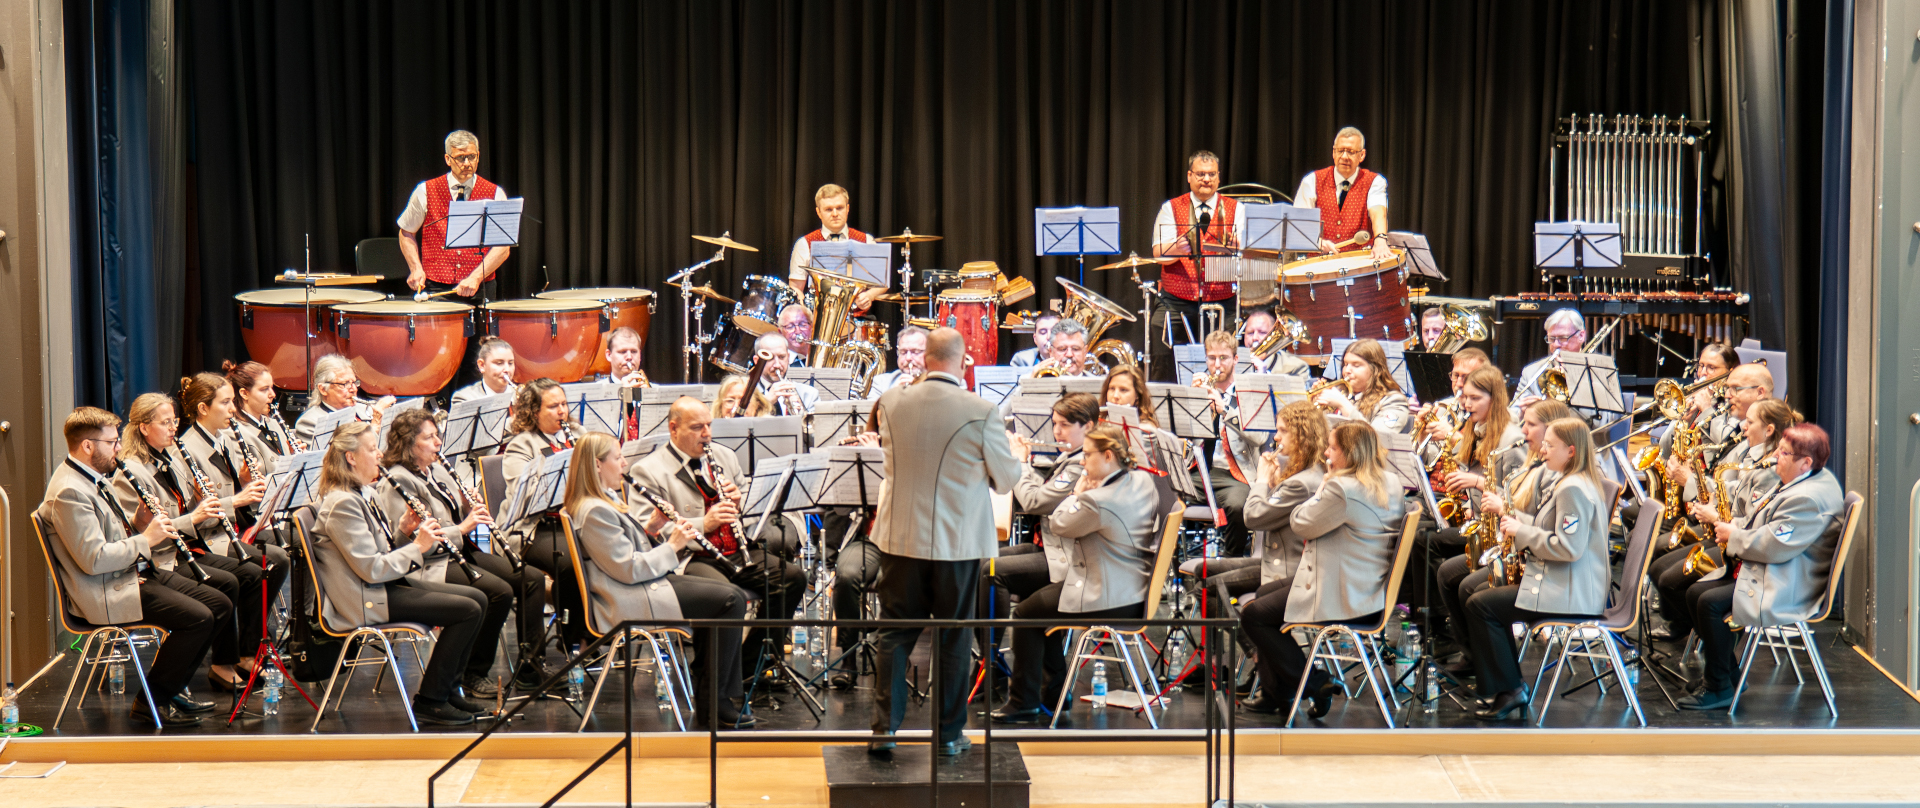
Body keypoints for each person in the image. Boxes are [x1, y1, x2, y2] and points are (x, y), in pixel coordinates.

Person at [862, 327, 1019, 757]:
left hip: (899, 538)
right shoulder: (982, 410)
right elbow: (1006, 481)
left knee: (894, 634)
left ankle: (883, 731)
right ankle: (948, 735)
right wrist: (1014, 457)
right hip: (958, 543)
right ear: (963, 360)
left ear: (925, 358)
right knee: (953, 637)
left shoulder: (889, 401)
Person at [42, 407, 225, 727]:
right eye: (112, 442)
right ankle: (151, 702)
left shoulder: (92, 476)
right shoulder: (69, 490)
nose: (118, 448)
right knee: (198, 618)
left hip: (129, 573)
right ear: (87, 446)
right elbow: (94, 559)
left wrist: (139, 524)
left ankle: (173, 687)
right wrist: (147, 539)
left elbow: (111, 535)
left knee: (219, 603)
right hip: (105, 590)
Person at [566, 432, 756, 728]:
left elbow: (626, 550)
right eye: (618, 457)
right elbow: (628, 569)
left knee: (728, 595)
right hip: (627, 599)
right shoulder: (594, 511)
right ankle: (715, 700)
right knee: (729, 600)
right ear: (597, 465)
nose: (624, 464)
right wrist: (674, 544)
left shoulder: (604, 499)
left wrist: (652, 527)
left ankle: (714, 694)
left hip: (640, 586)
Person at [309, 422, 490, 726]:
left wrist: (404, 533)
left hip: (382, 586)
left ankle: (448, 690)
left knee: (478, 598)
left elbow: (380, 551)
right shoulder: (342, 503)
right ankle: (431, 700)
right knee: (467, 610)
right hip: (366, 599)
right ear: (351, 457)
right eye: (371, 449)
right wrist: (419, 546)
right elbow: (371, 568)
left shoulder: (364, 492)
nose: (379, 454)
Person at [626, 398, 806, 685]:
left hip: (736, 550)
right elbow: (646, 531)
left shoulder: (724, 456)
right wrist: (704, 524)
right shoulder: (648, 470)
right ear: (674, 429)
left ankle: (748, 667)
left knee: (792, 578)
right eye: (697, 427)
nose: (707, 434)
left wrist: (740, 502)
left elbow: (750, 507)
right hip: (691, 557)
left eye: (709, 425)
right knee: (723, 596)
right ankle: (710, 677)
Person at [992, 423, 1159, 725]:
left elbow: (1059, 525)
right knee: (1039, 603)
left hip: (1107, 597)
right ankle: (1053, 694)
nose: (1083, 460)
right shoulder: (1142, 480)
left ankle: (1024, 703)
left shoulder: (1098, 501)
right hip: (1133, 590)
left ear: (1108, 456)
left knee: (1025, 614)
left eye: (1088, 454)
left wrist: (1077, 493)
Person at [1673, 423, 1845, 710]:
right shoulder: (1803, 479)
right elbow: (1764, 521)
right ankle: (1727, 676)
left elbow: (1774, 545)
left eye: (1784, 453)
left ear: (1805, 462)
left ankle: (1718, 687)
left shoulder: (1808, 499)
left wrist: (1733, 535)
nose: (1775, 455)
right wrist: (1734, 525)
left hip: (1789, 583)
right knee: (1694, 593)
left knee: (1708, 603)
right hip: (1779, 569)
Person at [1239, 422, 1406, 717]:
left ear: (1350, 453)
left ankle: (1315, 683)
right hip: (1369, 588)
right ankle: (1277, 693)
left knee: (1254, 616)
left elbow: (1301, 524)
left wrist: (1324, 486)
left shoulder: (1342, 488)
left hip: (1344, 595)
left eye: (1332, 448)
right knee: (1264, 593)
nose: (1326, 453)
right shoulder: (1391, 481)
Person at [377, 408, 543, 695]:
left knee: (531, 579)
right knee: (498, 592)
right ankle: (473, 673)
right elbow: (416, 541)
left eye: (437, 435)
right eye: (429, 438)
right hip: (431, 562)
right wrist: (464, 527)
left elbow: (452, 515)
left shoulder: (437, 468)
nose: (438, 443)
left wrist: (467, 506)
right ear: (408, 444)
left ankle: (531, 666)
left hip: (459, 552)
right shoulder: (397, 481)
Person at [112, 393, 265, 695]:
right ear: (144, 427)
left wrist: (204, 500)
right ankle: (218, 665)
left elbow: (185, 509)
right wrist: (194, 517)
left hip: (187, 548)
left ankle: (235, 658)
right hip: (162, 558)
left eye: (175, 421)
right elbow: (143, 534)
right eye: (165, 423)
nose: (173, 428)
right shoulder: (130, 472)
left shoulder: (170, 459)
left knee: (250, 572)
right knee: (226, 585)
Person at [1463, 417, 1612, 720]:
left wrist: (1521, 531)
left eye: (1550, 445)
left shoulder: (1573, 488)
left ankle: (1510, 689)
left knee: (1481, 605)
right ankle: (1502, 685)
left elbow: (1569, 548)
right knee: (1478, 593)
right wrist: (1519, 523)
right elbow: (1552, 529)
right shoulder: (1569, 480)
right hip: (1563, 582)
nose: (1542, 450)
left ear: (1571, 451)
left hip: (1571, 593)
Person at [1194, 400, 1328, 704]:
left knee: (1211, 589)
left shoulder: (1303, 483)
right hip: (1272, 561)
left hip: (1289, 569)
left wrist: (1260, 481)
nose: (1275, 437)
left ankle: (1262, 657)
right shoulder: (1300, 471)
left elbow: (1253, 517)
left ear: (1302, 435)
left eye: (1282, 431)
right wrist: (1271, 481)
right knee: (1203, 576)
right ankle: (1255, 655)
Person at [1432, 398, 1574, 675]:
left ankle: (1498, 675)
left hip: (1541, 565)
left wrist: (1503, 509)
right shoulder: (1535, 462)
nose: (1523, 430)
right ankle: (1477, 659)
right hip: (1520, 550)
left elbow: (1546, 525)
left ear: (1552, 430)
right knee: (1449, 574)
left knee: (1473, 592)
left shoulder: (1558, 476)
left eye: (1531, 425)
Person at [1652, 398, 1798, 640]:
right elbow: (1732, 491)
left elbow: (1758, 524)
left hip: (1747, 554)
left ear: (1769, 429)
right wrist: (1705, 496)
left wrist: (1714, 515)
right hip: (1730, 540)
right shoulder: (1753, 454)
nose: (1743, 426)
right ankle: (1701, 633)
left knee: (1678, 585)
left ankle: (1710, 636)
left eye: (1749, 422)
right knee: (1660, 570)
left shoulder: (1773, 469)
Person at [983, 394, 1102, 658]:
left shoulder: (1080, 464)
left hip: (1067, 557)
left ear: (1089, 426)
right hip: (1048, 546)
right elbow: (1044, 492)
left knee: (991, 572)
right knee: (983, 562)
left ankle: (990, 659)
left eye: (1065, 425)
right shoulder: (1070, 456)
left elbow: (1034, 501)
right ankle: (989, 659)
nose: (1056, 432)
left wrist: (1020, 462)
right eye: (1054, 423)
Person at [175, 373, 293, 639]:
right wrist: (237, 500)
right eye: (225, 402)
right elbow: (194, 516)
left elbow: (228, 488)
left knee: (284, 552)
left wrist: (244, 480)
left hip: (236, 526)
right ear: (203, 408)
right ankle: (251, 642)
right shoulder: (186, 450)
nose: (232, 409)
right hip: (209, 537)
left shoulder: (222, 438)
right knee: (272, 562)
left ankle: (257, 638)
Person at [1150, 151, 1244, 369]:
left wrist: (1235, 244)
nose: (1206, 179)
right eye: (1200, 174)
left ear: (1219, 177)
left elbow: (1246, 249)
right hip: (1177, 299)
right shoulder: (1171, 208)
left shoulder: (1236, 208)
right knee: (1159, 328)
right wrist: (1177, 248)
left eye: (1211, 174)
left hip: (1223, 299)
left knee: (1230, 349)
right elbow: (1158, 254)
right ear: (1189, 176)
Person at [398, 129, 510, 299]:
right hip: (436, 287)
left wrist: (475, 277)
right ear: (448, 159)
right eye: (460, 158)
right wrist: (415, 268)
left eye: (471, 157)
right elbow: (406, 232)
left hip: (480, 287)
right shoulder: (425, 190)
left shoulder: (495, 194)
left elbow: (503, 246)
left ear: (478, 156)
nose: (467, 163)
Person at [1192, 330, 1262, 557]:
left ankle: (1231, 563)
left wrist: (1224, 411)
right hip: (1200, 470)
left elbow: (1259, 438)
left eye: (1223, 358)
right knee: (1163, 494)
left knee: (1238, 507)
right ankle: (1173, 566)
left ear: (1236, 359)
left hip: (1235, 473)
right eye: (1211, 358)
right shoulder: (1199, 389)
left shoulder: (1249, 391)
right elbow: (1184, 437)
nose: (1217, 365)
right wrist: (1193, 402)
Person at [1291, 127, 1393, 261]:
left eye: (1351, 152)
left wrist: (1380, 239)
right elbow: (1298, 227)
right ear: (1333, 152)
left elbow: (1378, 213)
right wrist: (1318, 243)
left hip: (1359, 264)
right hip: (1318, 264)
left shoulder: (1374, 181)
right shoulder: (1312, 180)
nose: (1344, 157)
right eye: (1340, 151)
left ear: (1362, 155)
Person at [1312, 338, 1413, 433]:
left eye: (1356, 365)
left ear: (1375, 370)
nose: (1347, 370)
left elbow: (1378, 438)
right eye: (1346, 364)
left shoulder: (1393, 401)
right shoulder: (1341, 394)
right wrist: (1313, 407)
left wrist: (1343, 404)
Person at [295, 356, 397, 445]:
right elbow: (334, 459)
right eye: (345, 384)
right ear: (323, 389)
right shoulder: (310, 422)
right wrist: (374, 426)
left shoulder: (366, 409)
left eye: (354, 383)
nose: (354, 389)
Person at [1511, 308, 1587, 412]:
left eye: (1562, 338)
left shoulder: (1599, 372)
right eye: (1551, 339)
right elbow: (1512, 415)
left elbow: (1606, 417)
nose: (1556, 344)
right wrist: (1522, 412)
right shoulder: (1531, 372)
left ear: (1581, 336)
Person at [224, 360, 301, 461]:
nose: (273, 394)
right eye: (264, 389)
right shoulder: (233, 433)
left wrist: (296, 457)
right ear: (244, 393)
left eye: (272, 388)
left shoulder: (275, 424)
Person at [755, 332, 821, 415]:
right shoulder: (744, 396)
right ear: (757, 361)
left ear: (788, 357)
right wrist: (766, 404)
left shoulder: (809, 394)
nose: (777, 365)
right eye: (770, 358)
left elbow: (816, 423)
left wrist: (801, 413)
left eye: (782, 357)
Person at [450, 337, 520, 406]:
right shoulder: (465, 398)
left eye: (510, 363)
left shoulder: (520, 397)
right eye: (499, 363)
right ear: (482, 365)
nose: (507, 369)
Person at [1240, 309, 1310, 377]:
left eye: (1262, 332)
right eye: (1250, 333)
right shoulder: (1235, 361)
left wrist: (1263, 376)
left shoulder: (1295, 367)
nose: (1254, 337)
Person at [866, 326, 929, 397]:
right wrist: (893, 395)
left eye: (916, 352)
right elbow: (872, 404)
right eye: (903, 352)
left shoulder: (937, 383)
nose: (908, 358)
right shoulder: (881, 382)